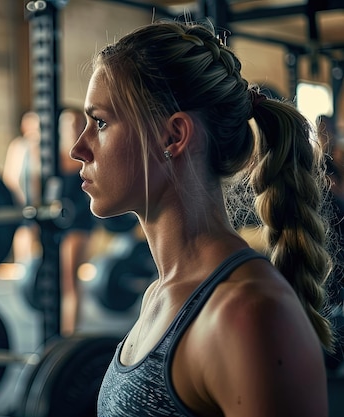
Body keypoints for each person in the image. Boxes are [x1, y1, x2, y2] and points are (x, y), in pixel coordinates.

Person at [69, 20, 335, 416]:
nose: (78, 148)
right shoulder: (158, 295)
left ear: (173, 136)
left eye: (101, 122)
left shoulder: (247, 314)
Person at [58, 107, 95, 336]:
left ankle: (69, 335)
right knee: (61, 282)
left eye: (75, 124)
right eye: (67, 124)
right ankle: (63, 331)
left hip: (79, 225)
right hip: (57, 226)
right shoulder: (52, 157)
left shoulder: (85, 155)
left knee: (70, 281)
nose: (72, 129)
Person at [2, 110, 42, 264]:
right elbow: (12, 175)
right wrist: (17, 198)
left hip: (37, 197)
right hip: (22, 197)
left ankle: (34, 266)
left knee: (36, 232)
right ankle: (23, 266)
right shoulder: (19, 146)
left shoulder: (41, 147)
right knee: (24, 230)